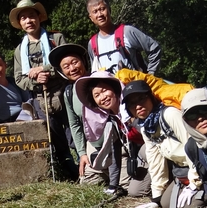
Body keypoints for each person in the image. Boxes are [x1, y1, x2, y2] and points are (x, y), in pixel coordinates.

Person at [50, 44, 150, 196]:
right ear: (62, 72)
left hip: (118, 146)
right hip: (94, 148)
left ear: (83, 61)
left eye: (74, 62)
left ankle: (122, 175)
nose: (72, 68)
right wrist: (82, 154)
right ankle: (109, 174)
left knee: (127, 187)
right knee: (86, 183)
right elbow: (74, 124)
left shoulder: (102, 80)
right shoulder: (69, 93)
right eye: (66, 66)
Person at [10, 0, 78, 181]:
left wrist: (45, 70)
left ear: (39, 17)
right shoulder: (19, 50)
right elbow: (19, 78)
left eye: (31, 16)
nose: (28, 21)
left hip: (65, 93)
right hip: (41, 100)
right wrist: (35, 81)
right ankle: (71, 174)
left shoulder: (56, 39)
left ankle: (87, 169)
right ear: (20, 24)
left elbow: (68, 65)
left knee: (75, 132)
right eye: (23, 18)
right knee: (57, 140)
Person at [122, 80, 207, 208]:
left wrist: (194, 183)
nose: (138, 106)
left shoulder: (170, 114)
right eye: (132, 104)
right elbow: (155, 159)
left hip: (204, 169)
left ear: (151, 97)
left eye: (141, 99)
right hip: (182, 171)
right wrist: (156, 197)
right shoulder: (147, 127)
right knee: (167, 203)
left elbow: (195, 147)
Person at [86, 0, 162, 76]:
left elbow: (154, 48)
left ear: (109, 10)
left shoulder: (127, 32)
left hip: (134, 86)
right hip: (110, 88)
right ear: (91, 18)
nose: (100, 14)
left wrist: (151, 75)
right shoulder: (92, 44)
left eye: (102, 9)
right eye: (95, 11)